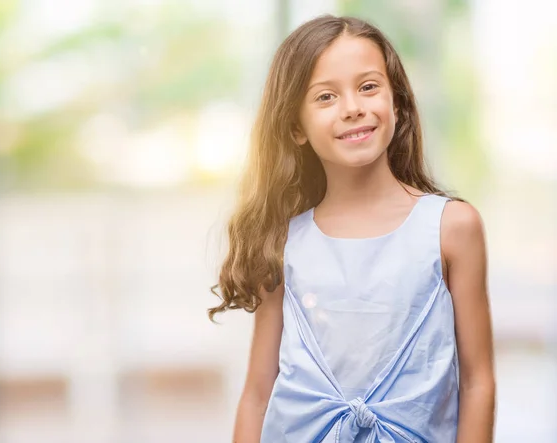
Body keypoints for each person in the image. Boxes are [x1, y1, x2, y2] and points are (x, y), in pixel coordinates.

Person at [208, 15, 495, 443]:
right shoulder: (283, 241)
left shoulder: (452, 227)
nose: (352, 107)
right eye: (325, 96)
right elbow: (257, 394)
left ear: (396, 102)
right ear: (294, 128)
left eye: (368, 87)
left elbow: (478, 383)